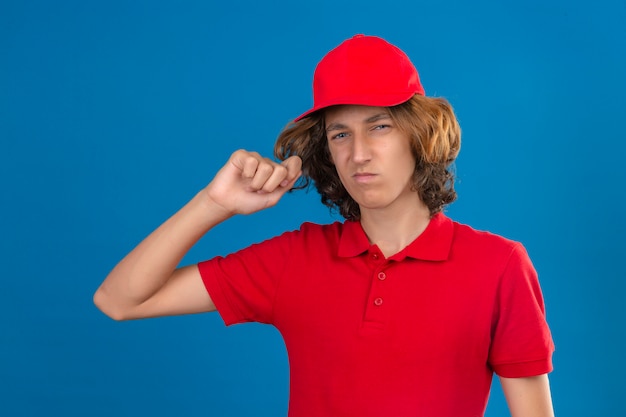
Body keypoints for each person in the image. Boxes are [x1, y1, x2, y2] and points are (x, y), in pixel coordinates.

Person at [94, 34, 555, 416]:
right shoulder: (296, 258)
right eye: (340, 134)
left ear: (419, 134)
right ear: (327, 153)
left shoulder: (498, 266)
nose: (358, 153)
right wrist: (213, 204)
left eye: (380, 127)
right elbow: (119, 300)